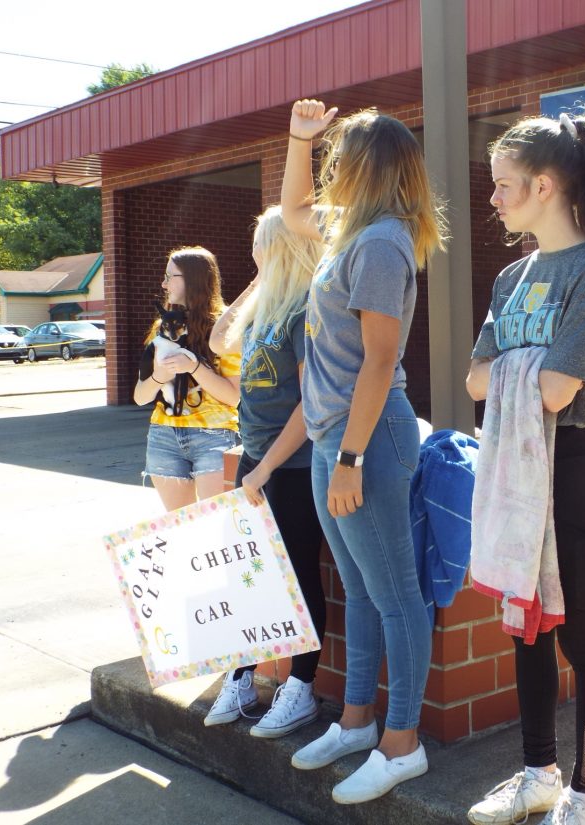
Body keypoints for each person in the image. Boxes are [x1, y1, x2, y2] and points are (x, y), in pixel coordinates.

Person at [465, 110, 585, 825]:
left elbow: (551, 392)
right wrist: (530, 367)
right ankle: (537, 773)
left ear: (544, 186)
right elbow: (474, 382)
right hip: (518, 470)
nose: (493, 199)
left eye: (504, 185)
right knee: (526, 625)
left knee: (580, 635)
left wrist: (520, 368)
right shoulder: (513, 276)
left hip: (571, 466)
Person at [279, 99, 446, 804]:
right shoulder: (351, 234)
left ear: (366, 168)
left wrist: (348, 460)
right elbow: (291, 213)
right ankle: (356, 722)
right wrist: (297, 137)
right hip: (333, 438)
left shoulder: (380, 242)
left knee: (396, 593)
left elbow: (381, 360)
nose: (329, 166)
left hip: (365, 440)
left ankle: (402, 744)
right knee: (362, 590)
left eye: (337, 155)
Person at [202, 205, 328, 738]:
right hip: (256, 459)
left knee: (296, 574)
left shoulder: (305, 311)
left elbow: (309, 405)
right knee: (247, 573)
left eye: (259, 244)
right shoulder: (264, 308)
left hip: (292, 465)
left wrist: (265, 469)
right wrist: (260, 279)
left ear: (279, 248)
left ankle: (300, 686)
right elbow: (217, 341)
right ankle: (243, 674)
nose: (250, 252)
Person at [133, 247, 241, 511]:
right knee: (180, 527)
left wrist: (194, 367)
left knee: (216, 526)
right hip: (164, 436)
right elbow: (140, 397)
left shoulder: (226, 326)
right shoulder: (164, 326)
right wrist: (159, 376)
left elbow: (233, 397)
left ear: (193, 279)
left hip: (214, 435)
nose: (163, 283)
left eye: (170, 276)